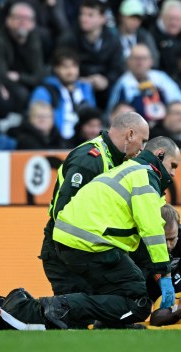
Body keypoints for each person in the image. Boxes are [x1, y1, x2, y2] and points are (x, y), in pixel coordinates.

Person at [39, 137, 180, 329]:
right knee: (137, 299)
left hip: (72, 238)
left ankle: (109, 325)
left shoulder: (127, 169)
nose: (173, 173)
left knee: (118, 292)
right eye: (173, 165)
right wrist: (164, 273)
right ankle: (61, 307)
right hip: (90, 241)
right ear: (160, 154)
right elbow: (151, 229)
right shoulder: (145, 176)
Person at [40, 111, 150, 294]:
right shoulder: (90, 160)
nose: (142, 149)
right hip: (68, 246)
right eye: (143, 141)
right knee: (73, 312)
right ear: (130, 134)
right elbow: (62, 212)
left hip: (87, 245)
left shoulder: (116, 161)